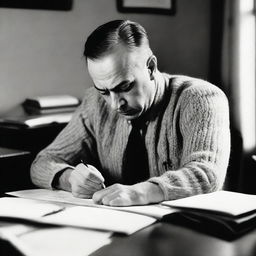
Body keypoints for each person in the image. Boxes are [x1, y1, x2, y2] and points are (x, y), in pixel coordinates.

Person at [30, 20, 230, 206]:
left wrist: (140, 193)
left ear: (151, 67)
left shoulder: (201, 98)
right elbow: (42, 163)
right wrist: (69, 177)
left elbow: (207, 173)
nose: (116, 104)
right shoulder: (94, 103)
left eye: (124, 86)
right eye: (104, 91)